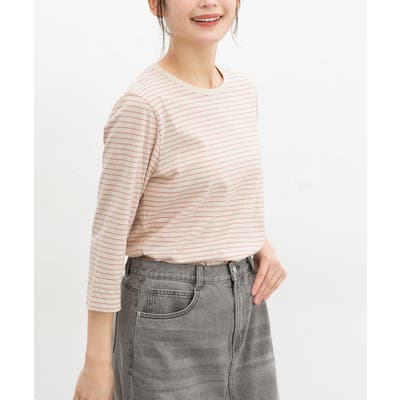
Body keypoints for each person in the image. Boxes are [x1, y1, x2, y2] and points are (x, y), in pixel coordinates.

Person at [73, 0, 287, 399]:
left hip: (247, 304)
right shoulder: (143, 106)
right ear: (157, 5)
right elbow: (108, 240)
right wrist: (97, 363)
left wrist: (257, 242)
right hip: (165, 311)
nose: (208, 2)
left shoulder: (242, 91)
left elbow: (214, 189)